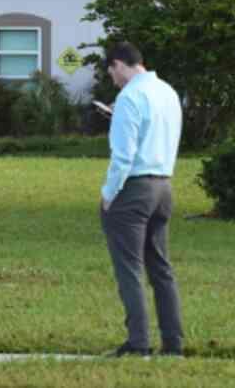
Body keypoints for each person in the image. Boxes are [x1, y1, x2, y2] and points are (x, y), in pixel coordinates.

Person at [95, 42, 184, 357]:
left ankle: (138, 342)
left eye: (112, 73)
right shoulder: (167, 92)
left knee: (129, 268)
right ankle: (173, 342)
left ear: (119, 65)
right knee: (161, 267)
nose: (114, 80)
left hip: (133, 189)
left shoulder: (129, 97)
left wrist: (108, 194)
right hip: (163, 184)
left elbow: (123, 155)